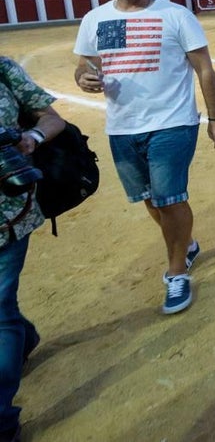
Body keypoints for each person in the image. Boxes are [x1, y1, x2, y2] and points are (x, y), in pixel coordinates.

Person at [74, 0, 215, 315]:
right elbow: (85, 64)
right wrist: (84, 78)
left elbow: (204, 68)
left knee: (170, 198)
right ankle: (186, 244)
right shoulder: (96, 20)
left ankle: (177, 273)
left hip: (172, 122)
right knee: (149, 198)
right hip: (122, 125)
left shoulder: (176, 15)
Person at [0, 58, 65, 442]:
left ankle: (3, 422)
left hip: (8, 211)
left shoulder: (3, 69)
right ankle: (23, 335)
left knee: (0, 309)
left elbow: (51, 119)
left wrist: (32, 139)